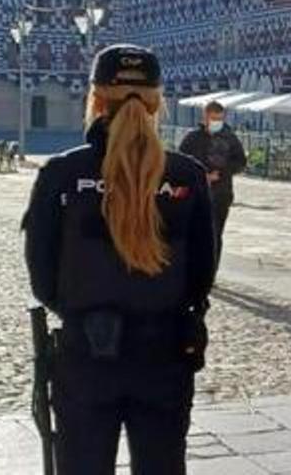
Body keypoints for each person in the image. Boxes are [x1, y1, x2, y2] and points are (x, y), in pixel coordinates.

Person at [22, 44, 217, 475]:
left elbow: (42, 277)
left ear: (95, 100)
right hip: (164, 356)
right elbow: (202, 274)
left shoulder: (61, 173)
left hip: (87, 359)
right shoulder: (187, 177)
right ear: (156, 102)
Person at [179, 100, 247, 263]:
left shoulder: (229, 138)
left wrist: (222, 173)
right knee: (194, 232)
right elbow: (181, 162)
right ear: (205, 117)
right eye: (213, 118)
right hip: (196, 193)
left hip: (220, 194)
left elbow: (240, 162)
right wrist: (200, 175)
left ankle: (211, 270)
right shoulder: (193, 138)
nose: (216, 122)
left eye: (219, 119)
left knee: (215, 234)